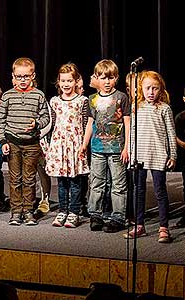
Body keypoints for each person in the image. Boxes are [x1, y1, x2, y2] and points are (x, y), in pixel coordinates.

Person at [124, 71, 176, 243]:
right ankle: (139, 225)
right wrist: (131, 152)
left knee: (160, 190)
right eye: (147, 88)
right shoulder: (135, 107)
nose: (151, 92)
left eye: (155, 88)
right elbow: (132, 133)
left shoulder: (164, 109)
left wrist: (173, 155)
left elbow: (171, 133)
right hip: (139, 155)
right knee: (138, 191)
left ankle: (164, 227)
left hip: (158, 154)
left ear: (161, 90)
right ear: (141, 89)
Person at [79, 59, 130, 233]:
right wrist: (84, 144)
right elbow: (90, 124)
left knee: (118, 184)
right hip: (98, 149)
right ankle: (96, 215)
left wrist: (127, 147)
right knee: (97, 182)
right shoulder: (92, 99)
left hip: (117, 149)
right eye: (102, 78)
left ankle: (118, 217)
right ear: (96, 79)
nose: (106, 82)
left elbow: (127, 123)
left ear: (116, 78)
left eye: (110, 78)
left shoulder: (121, 97)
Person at [0, 57, 50, 226]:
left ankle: (28, 211)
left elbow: (45, 117)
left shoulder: (38, 95)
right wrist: (3, 140)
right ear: (13, 76)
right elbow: (1, 121)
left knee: (29, 178)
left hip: (32, 144)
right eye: (19, 76)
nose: (22, 80)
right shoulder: (7, 96)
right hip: (12, 142)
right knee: (15, 178)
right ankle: (16, 212)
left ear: (33, 76)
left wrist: (37, 124)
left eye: (26, 76)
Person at [45, 63, 89, 228]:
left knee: (76, 181)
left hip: (75, 145)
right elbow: (52, 123)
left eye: (69, 80)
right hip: (59, 145)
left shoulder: (82, 101)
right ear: (58, 81)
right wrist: (49, 145)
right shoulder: (55, 101)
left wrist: (84, 146)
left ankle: (74, 212)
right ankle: (62, 211)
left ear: (76, 81)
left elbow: (85, 124)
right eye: (63, 80)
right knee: (62, 181)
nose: (66, 84)